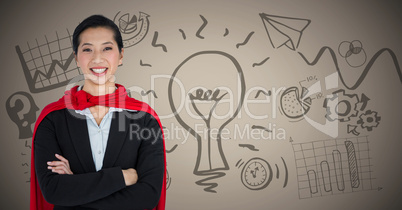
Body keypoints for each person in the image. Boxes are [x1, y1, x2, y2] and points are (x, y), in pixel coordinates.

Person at [30, 14, 166, 210]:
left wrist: (75, 187)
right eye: (87, 49)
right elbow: (53, 191)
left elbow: (148, 197)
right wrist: (123, 177)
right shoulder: (52, 119)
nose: (97, 58)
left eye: (107, 48)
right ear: (76, 58)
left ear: (120, 55)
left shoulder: (145, 119)